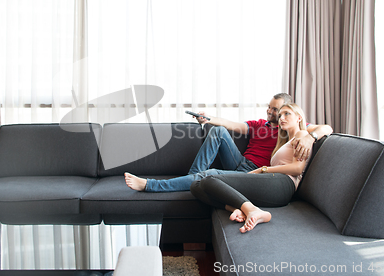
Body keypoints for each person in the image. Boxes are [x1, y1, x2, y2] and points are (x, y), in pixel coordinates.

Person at [124, 93, 332, 192]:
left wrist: (310, 135)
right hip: (239, 162)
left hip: (253, 173)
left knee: (211, 174)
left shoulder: (290, 129)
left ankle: (153, 186)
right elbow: (229, 124)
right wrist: (207, 118)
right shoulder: (259, 124)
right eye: (269, 107)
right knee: (219, 131)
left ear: (289, 112)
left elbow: (327, 129)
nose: (270, 112)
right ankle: (190, 178)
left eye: (275, 110)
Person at [190, 103, 314, 233]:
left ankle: (252, 210)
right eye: (280, 115)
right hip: (273, 183)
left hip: (283, 185)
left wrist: (263, 169)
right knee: (196, 186)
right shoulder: (284, 141)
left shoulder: (302, 135)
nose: (281, 118)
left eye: (287, 114)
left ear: (299, 118)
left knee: (209, 180)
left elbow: (297, 168)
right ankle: (238, 209)